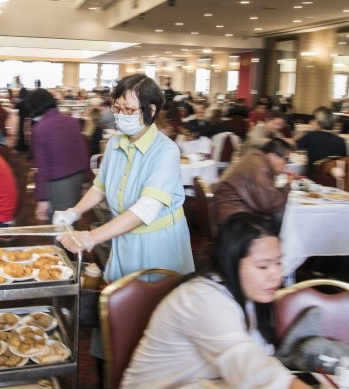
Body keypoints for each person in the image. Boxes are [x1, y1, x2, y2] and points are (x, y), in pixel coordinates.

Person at [121, 213, 311, 389]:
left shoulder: (247, 295)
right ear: (232, 262)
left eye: (278, 263)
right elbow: (252, 370)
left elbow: (259, 361)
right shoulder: (204, 299)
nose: (276, 275)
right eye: (263, 266)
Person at [55, 73, 195, 281]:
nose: (121, 115)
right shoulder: (115, 143)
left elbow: (146, 209)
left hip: (157, 243)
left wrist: (90, 237)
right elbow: (99, 187)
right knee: (121, 294)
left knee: (151, 303)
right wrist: (74, 212)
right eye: (117, 108)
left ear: (151, 110)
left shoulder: (165, 151)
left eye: (128, 109)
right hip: (123, 234)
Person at [25, 88, 88, 221]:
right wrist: (85, 180)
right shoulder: (72, 121)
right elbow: (82, 152)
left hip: (58, 182)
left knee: (59, 226)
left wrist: (42, 198)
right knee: (70, 219)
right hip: (77, 177)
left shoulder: (40, 129)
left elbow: (41, 167)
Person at [214, 138, 293, 225]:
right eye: (286, 159)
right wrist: (287, 187)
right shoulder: (260, 167)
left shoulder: (256, 157)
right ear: (273, 157)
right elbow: (270, 204)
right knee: (286, 219)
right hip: (235, 220)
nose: (286, 164)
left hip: (232, 211)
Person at [295, 106, 347, 179]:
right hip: (333, 181)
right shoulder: (341, 141)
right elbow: (343, 162)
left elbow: (292, 145)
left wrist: (308, 131)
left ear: (317, 122)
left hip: (313, 180)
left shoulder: (310, 136)